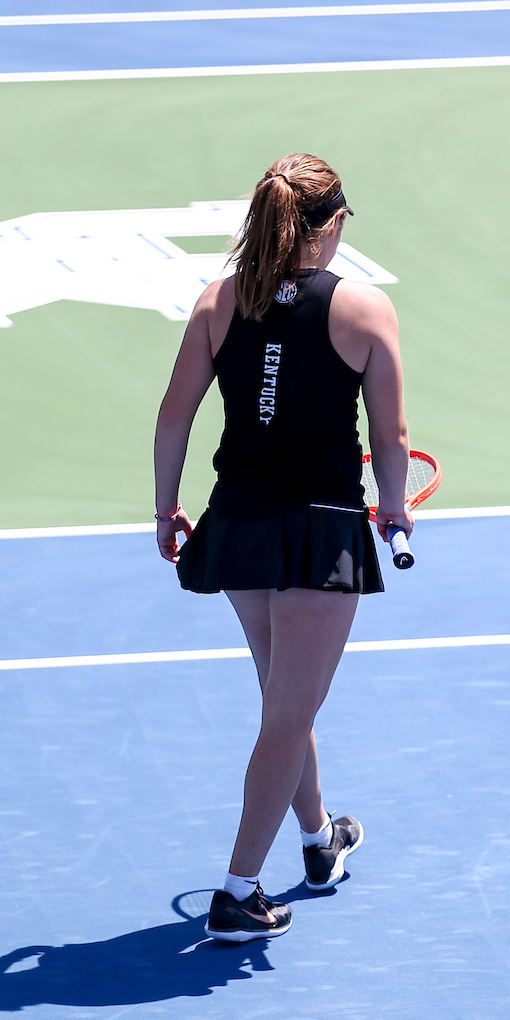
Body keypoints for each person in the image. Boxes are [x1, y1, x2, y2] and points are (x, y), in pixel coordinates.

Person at [153, 153, 412, 942]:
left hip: (239, 527)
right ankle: (237, 893)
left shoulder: (217, 303)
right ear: (329, 226)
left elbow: (173, 416)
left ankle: (318, 840)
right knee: (286, 713)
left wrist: (165, 507)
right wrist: (395, 507)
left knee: (284, 704)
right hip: (321, 533)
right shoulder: (365, 311)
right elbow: (392, 434)